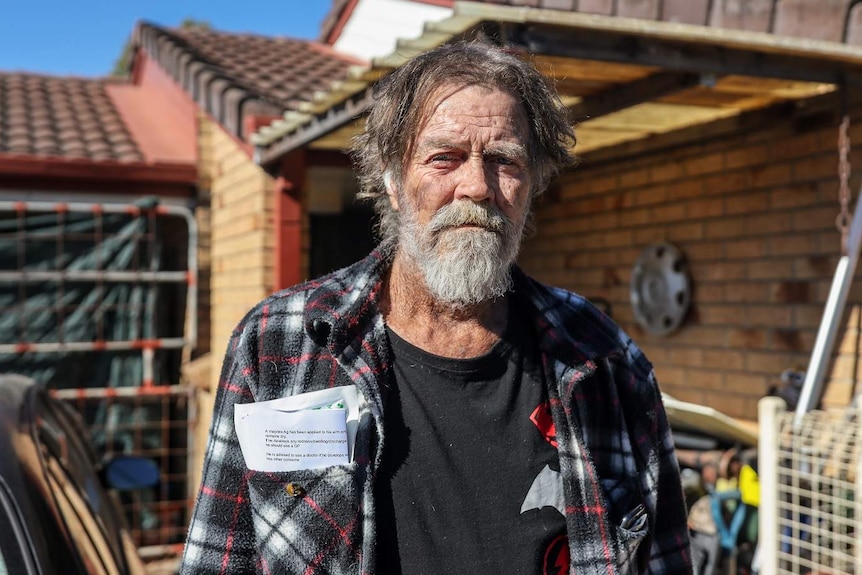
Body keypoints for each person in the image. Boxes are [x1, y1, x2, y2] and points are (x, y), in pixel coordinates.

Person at [180, 41, 692, 574]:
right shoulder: (280, 343)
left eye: (504, 161)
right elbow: (216, 559)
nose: (476, 186)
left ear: (532, 184)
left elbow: (667, 561)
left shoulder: (603, 360)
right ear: (393, 180)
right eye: (444, 158)